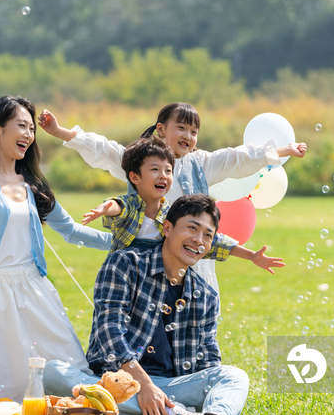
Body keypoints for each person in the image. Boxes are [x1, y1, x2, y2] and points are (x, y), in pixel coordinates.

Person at [0, 65, 112, 403]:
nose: (28, 134)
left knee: (68, 370)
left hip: (33, 287)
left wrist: (124, 242)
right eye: (21, 126)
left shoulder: (33, 186)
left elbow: (72, 231)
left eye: (32, 128)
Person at [38, 103, 306, 293]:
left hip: (190, 259)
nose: (188, 136)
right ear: (161, 129)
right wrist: (61, 132)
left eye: (193, 131)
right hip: (146, 260)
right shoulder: (140, 159)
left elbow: (237, 157)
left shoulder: (201, 163)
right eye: (181, 128)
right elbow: (104, 150)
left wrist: (283, 150)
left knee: (194, 314)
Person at [44, 194, 253, 415]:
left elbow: (208, 360)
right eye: (192, 229)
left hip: (171, 386)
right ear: (167, 227)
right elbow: (108, 329)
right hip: (118, 381)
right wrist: (143, 385)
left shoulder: (205, 295)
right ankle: (177, 414)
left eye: (208, 235)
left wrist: (208, 386)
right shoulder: (125, 264)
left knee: (234, 376)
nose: (199, 240)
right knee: (53, 372)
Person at [84, 136, 284, 273]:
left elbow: (213, 242)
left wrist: (251, 256)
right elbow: (119, 207)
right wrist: (105, 207)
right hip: (125, 280)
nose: (163, 175)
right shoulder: (132, 208)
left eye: (168, 171)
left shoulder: (171, 218)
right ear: (134, 177)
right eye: (155, 169)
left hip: (157, 287)